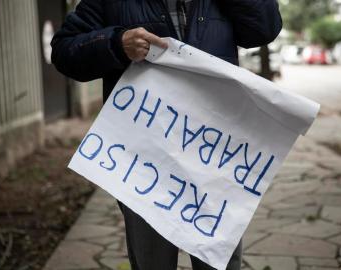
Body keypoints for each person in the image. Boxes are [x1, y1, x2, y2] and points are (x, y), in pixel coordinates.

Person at [51, 1, 282, 269]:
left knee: (219, 263)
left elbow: (265, 29)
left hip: (213, 151)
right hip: (145, 158)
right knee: (152, 262)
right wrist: (116, 43)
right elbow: (65, 51)